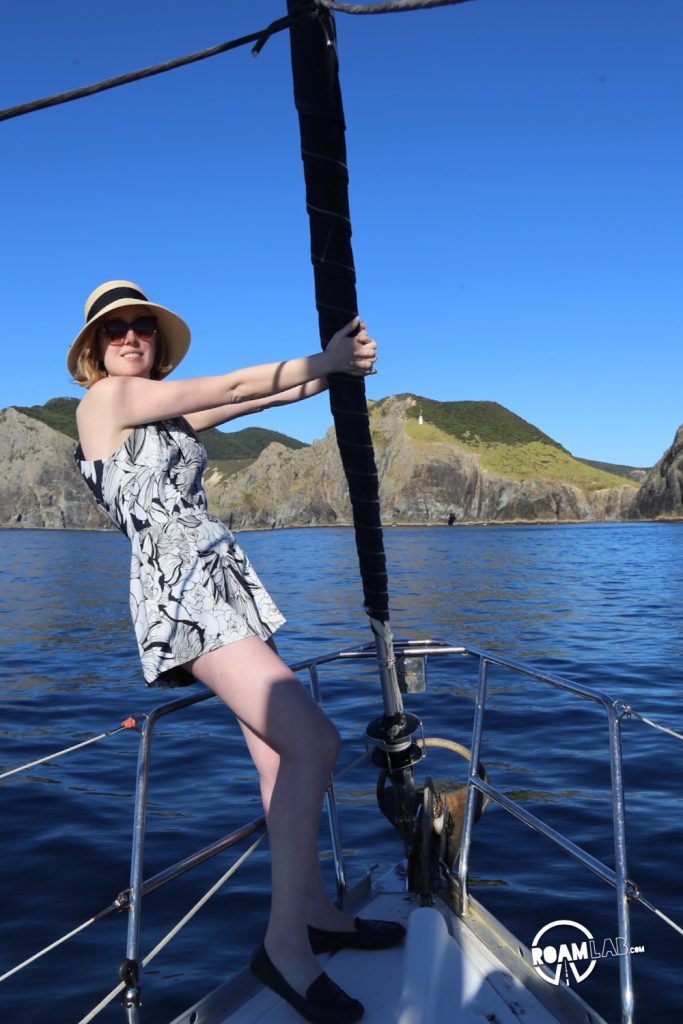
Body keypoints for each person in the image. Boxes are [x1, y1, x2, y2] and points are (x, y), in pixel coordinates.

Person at [68, 280, 404, 1024]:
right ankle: (285, 946)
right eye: (116, 329)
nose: (131, 337)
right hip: (181, 588)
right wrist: (326, 356)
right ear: (94, 349)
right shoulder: (104, 404)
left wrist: (330, 371)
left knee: (278, 758)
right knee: (314, 740)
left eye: (142, 328)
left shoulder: (158, 414)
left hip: (221, 576)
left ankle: (314, 910)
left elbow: (253, 400)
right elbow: (230, 381)